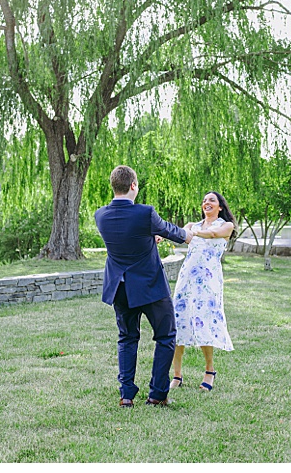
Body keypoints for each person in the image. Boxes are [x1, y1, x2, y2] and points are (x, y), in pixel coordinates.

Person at [94, 165, 190, 407]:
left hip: (120, 287)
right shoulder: (145, 213)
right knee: (166, 336)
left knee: (127, 338)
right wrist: (187, 232)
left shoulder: (101, 215)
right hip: (149, 286)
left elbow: (128, 239)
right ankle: (157, 394)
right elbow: (174, 233)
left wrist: (150, 236)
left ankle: (126, 395)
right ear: (133, 185)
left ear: (113, 186)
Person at [168, 192, 236, 391]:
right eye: (204, 200)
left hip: (208, 281)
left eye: (212, 200)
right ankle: (177, 375)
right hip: (186, 279)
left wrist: (193, 233)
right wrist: (161, 236)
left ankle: (209, 370)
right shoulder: (192, 225)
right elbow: (177, 233)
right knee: (178, 322)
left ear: (220, 206)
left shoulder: (225, 226)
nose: (207, 203)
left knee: (205, 320)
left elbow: (213, 235)